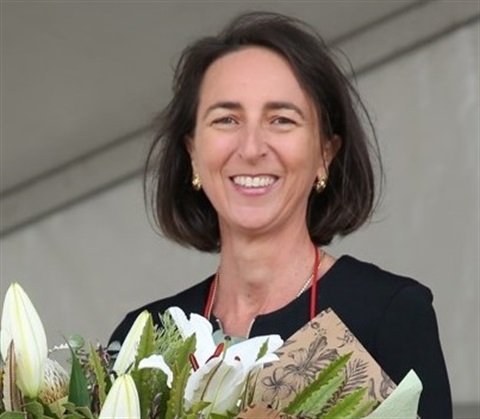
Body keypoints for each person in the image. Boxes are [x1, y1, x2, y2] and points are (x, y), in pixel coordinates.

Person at [110, 11, 452, 418]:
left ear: (325, 153)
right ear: (193, 155)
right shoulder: (148, 334)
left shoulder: (387, 314)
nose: (252, 147)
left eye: (281, 119)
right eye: (227, 119)